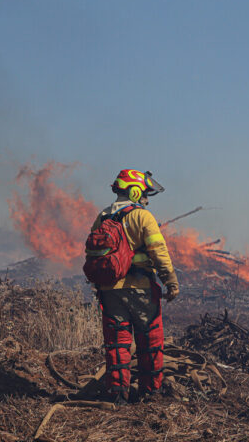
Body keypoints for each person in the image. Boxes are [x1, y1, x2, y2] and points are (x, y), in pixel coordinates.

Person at [90, 169, 179, 403]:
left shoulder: (103, 217)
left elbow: (94, 256)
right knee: (150, 341)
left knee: (117, 344)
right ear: (135, 191)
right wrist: (171, 282)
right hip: (141, 290)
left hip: (110, 292)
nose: (147, 199)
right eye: (145, 194)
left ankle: (118, 395)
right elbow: (159, 252)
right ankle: (150, 393)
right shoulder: (142, 217)